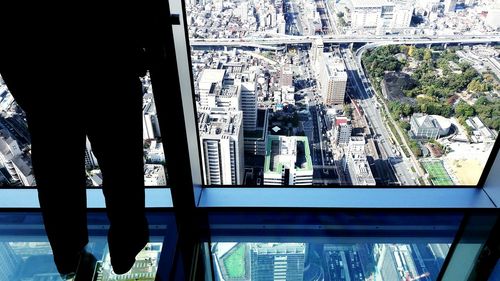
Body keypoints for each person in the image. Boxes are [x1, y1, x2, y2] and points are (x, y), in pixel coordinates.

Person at [0, 0, 151, 276]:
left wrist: (26, 88)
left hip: (44, 70)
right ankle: (125, 244)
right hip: (108, 59)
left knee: (58, 174)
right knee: (121, 164)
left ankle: (69, 252)